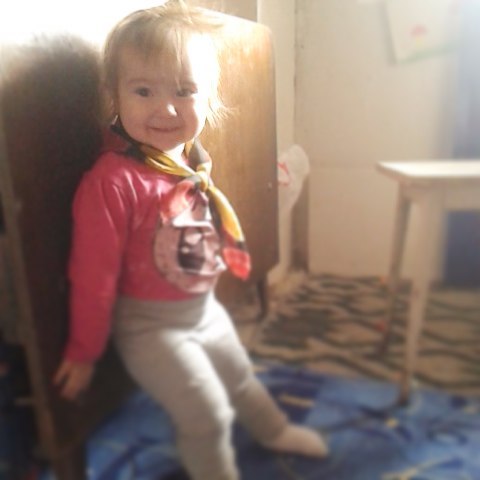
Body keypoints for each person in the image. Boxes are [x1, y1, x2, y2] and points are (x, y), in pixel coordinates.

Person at [54, 2, 328, 479]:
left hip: (202, 311)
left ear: (209, 96)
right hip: (150, 327)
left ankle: (273, 431)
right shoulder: (113, 182)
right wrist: (83, 351)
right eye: (144, 90)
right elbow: (93, 274)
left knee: (241, 380)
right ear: (114, 95)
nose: (166, 109)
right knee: (207, 413)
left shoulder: (190, 161)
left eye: (185, 91)